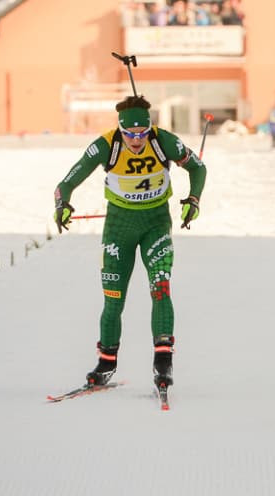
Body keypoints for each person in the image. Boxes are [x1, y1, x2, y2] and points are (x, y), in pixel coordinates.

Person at [53, 95, 207, 391]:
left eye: (142, 133)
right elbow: (67, 182)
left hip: (156, 224)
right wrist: (62, 204)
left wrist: (193, 200)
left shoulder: (164, 141)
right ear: (120, 130)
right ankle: (106, 363)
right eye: (129, 134)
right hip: (118, 228)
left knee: (160, 289)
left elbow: (198, 168)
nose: (136, 140)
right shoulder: (105, 145)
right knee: (113, 300)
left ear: (150, 127)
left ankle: (163, 361)